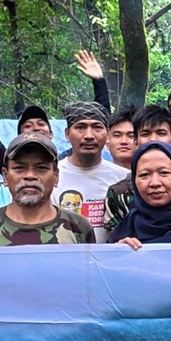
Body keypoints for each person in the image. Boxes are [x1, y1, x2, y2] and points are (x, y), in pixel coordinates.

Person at [0, 134, 96, 246]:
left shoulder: (78, 227)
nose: (30, 176)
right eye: (19, 168)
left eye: (41, 168)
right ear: (5, 176)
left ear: (56, 176)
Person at [0, 49, 110, 121]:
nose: (35, 129)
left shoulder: (60, 165)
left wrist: (99, 81)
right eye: (28, 126)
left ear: (52, 134)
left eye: (41, 125)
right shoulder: (11, 163)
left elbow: (101, 124)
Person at [54, 101, 125, 240]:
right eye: (80, 127)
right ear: (67, 134)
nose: (89, 136)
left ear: (108, 134)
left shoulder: (123, 178)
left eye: (97, 128)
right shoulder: (52, 175)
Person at [106, 105, 171, 232]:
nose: (153, 140)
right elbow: (114, 243)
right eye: (145, 134)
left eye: (161, 133)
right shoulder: (119, 193)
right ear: (135, 141)